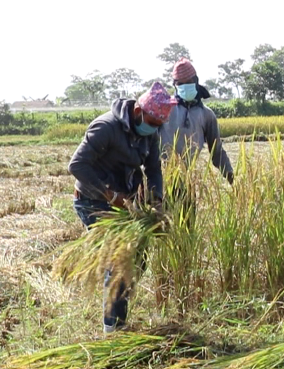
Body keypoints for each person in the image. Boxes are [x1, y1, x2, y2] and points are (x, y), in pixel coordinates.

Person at [68, 82, 177, 333]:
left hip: (127, 201)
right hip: (93, 200)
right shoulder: (106, 128)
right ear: (138, 112)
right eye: (153, 122)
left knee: (137, 259)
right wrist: (110, 195)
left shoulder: (151, 131)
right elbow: (77, 165)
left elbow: (153, 169)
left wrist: (157, 199)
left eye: (159, 125)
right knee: (119, 260)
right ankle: (113, 329)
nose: (155, 128)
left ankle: (119, 314)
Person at [159, 58, 234, 185]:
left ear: (196, 82)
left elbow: (217, 151)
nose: (185, 86)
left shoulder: (207, 115)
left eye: (188, 82)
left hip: (187, 178)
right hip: (161, 177)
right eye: (180, 84)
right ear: (175, 85)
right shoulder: (164, 108)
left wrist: (229, 173)